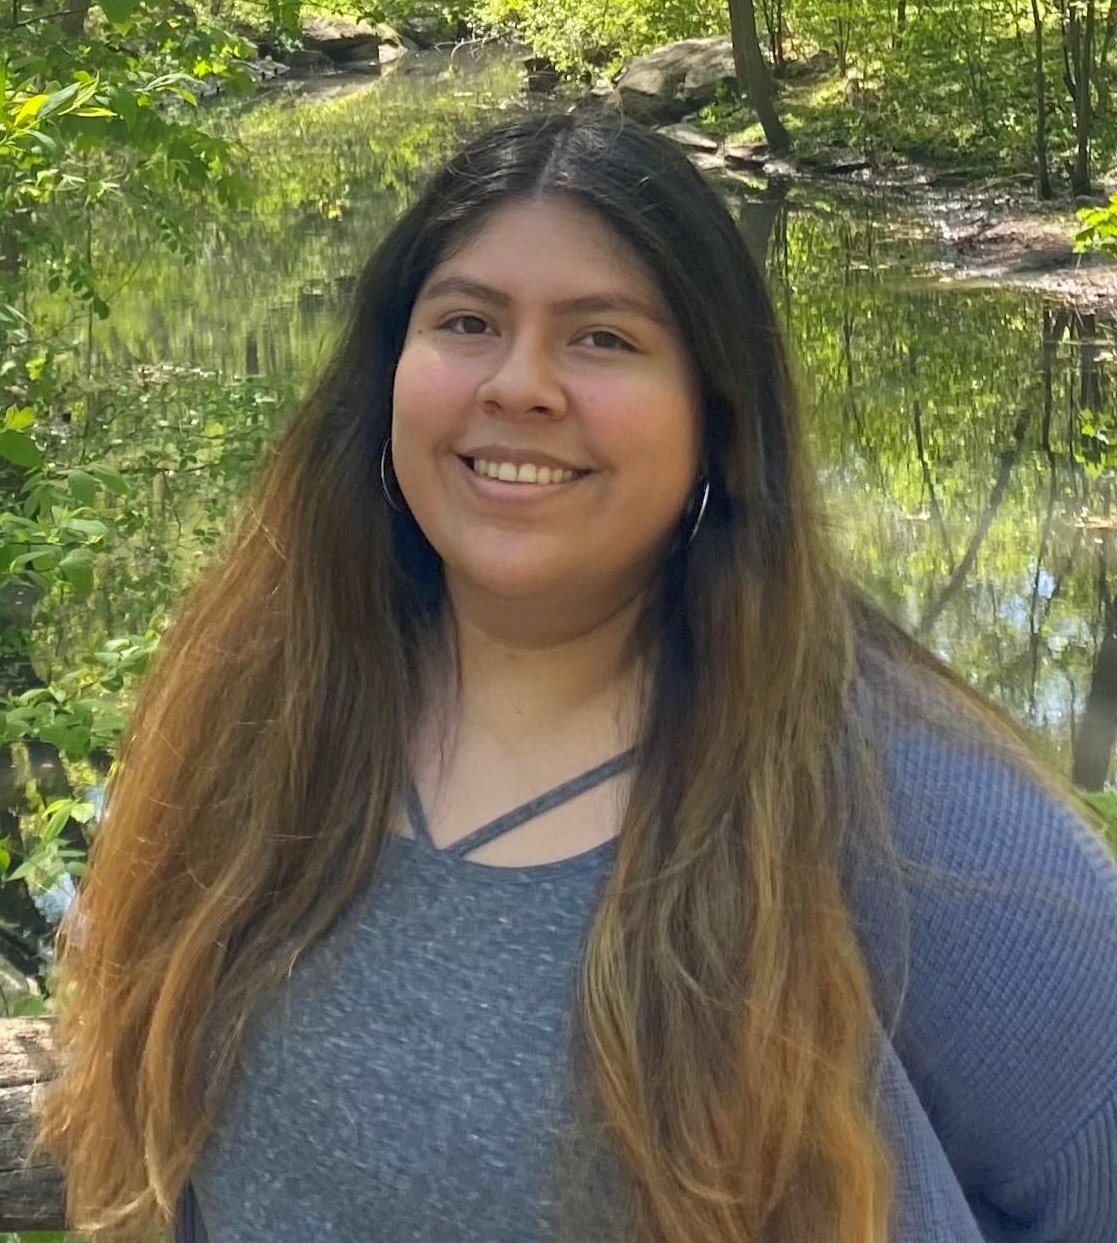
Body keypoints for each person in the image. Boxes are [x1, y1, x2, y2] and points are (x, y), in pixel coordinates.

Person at [37, 111, 1117, 1243]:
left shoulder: (892, 794)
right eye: (468, 321)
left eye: (602, 338)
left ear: (715, 415)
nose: (520, 385)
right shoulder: (267, 702)